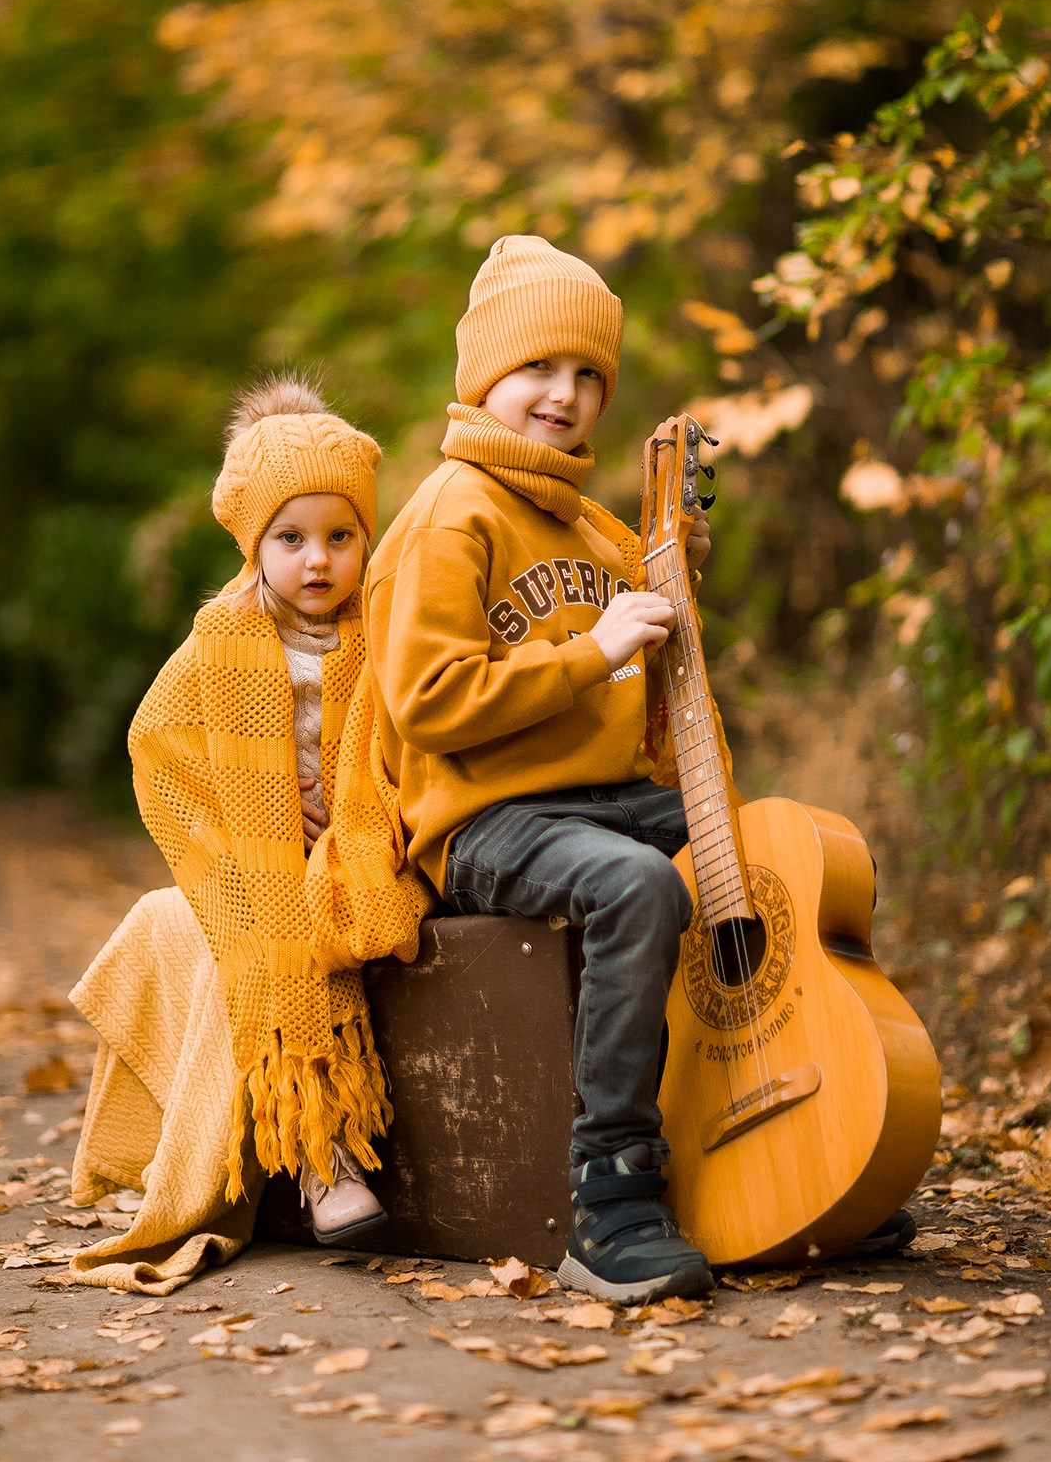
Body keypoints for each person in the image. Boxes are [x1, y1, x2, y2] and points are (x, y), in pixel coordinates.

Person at [364, 236, 716, 1304]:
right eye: (538, 369)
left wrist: (670, 586)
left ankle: (772, 1145)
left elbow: (644, 694)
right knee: (635, 884)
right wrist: (590, 652)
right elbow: (426, 700)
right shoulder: (446, 516)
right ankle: (608, 1197)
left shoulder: (593, 527)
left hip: (594, 798)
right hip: (481, 820)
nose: (562, 395)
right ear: (485, 377)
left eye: (586, 376)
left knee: (755, 849)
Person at [65, 375, 427, 1292]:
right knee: (281, 945)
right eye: (291, 539)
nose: (317, 561)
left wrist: (353, 807)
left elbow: (416, 729)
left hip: (365, 839)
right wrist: (257, 812)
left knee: (364, 913)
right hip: (259, 853)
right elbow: (160, 745)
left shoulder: (384, 624)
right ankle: (321, 1151)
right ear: (253, 543)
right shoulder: (223, 638)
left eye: (340, 537)